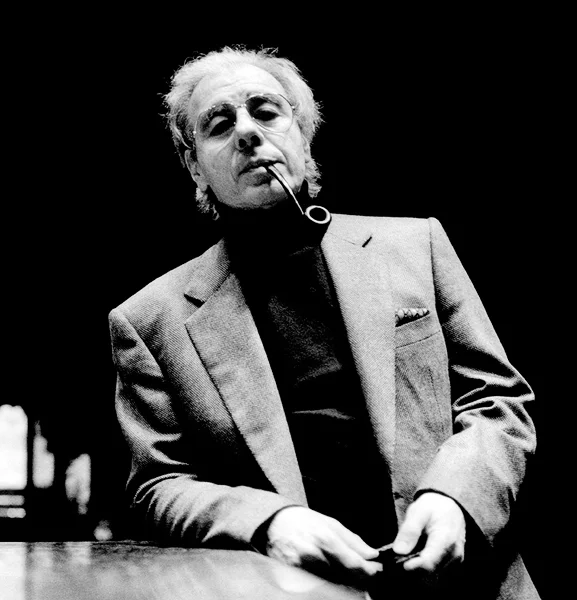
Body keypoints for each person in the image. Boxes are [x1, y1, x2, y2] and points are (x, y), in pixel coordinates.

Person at [108, 46, 539, 599]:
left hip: (471, 586)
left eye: (266, 112)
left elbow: (499, 402)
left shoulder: (418, 245)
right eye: (219, 124)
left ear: (303, 136)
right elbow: (158, 484)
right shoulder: (149, 318)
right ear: (195, 167)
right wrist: (269, 523)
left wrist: (456, 498)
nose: (247, 132)